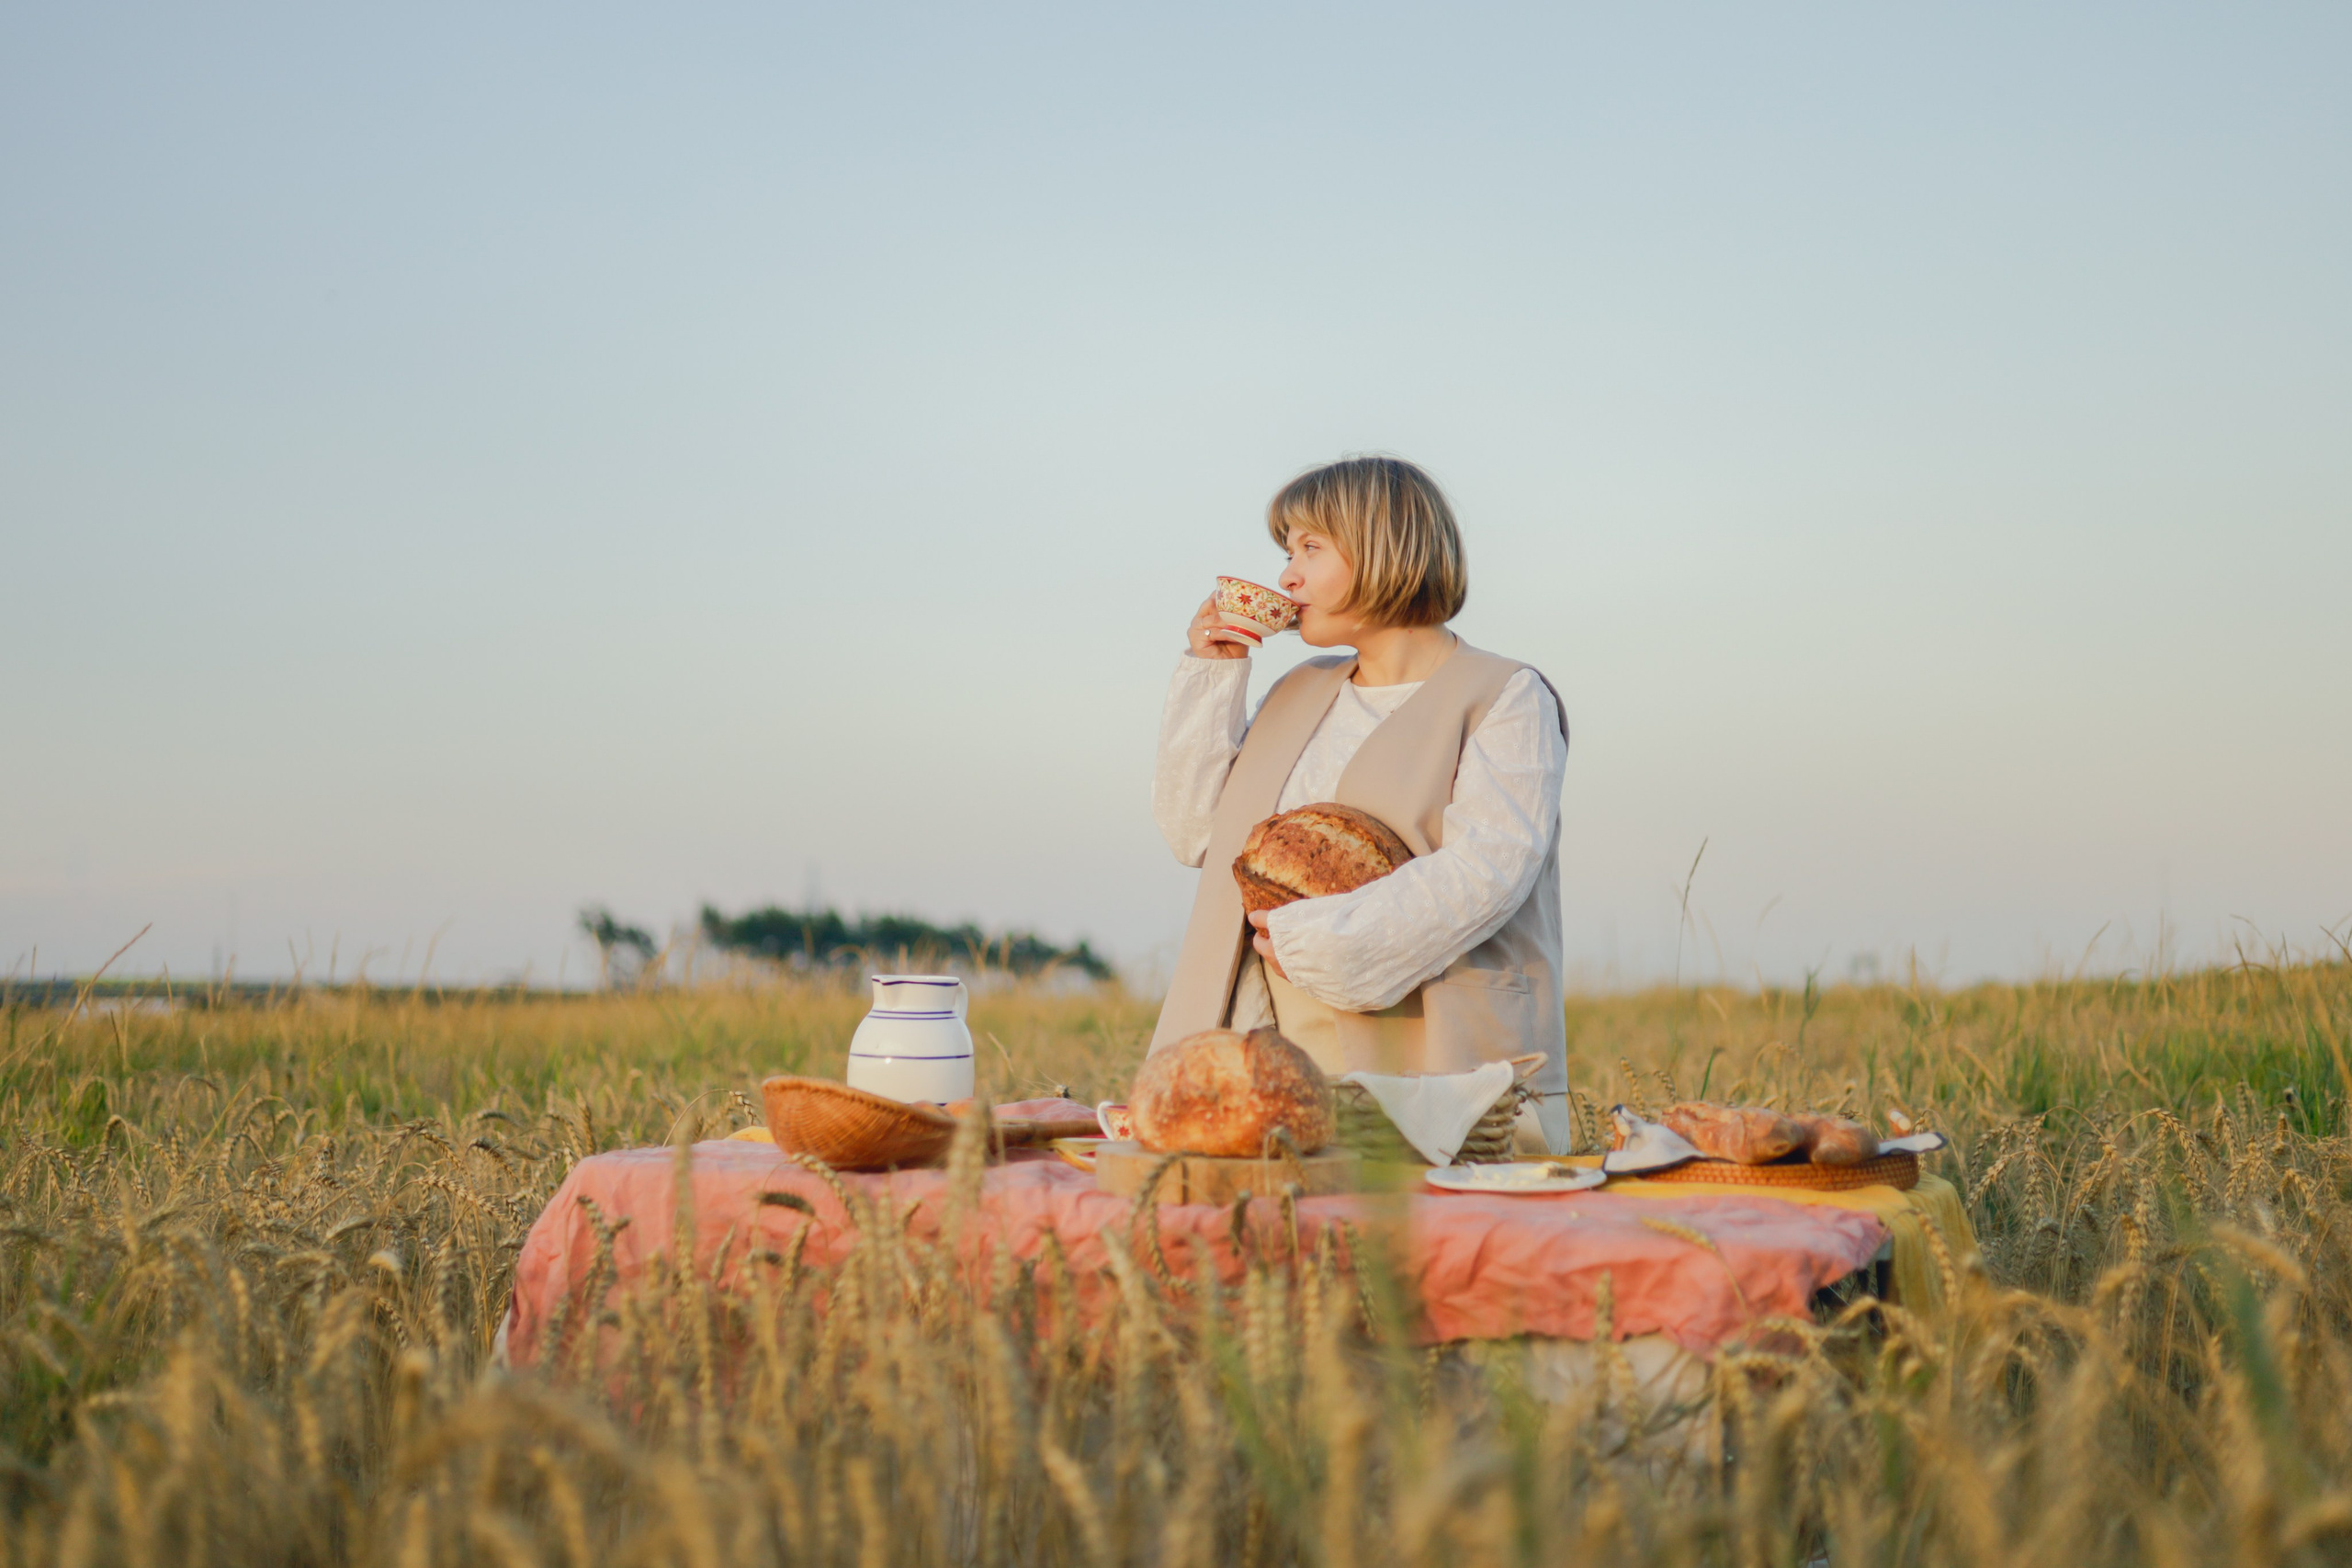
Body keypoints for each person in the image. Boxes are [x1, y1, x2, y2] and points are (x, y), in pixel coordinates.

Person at [1150, 456, 1573, 1153]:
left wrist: (1308, 942)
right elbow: (1198, 834)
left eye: (1311, 548)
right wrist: (1214, 675)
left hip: (1436, 1061)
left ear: (1385, 546)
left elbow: (1488, 870)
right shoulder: (1295, 692)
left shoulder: (1506, 694)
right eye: (1287, 552)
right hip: (1278, 1061)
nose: (1287, 575)